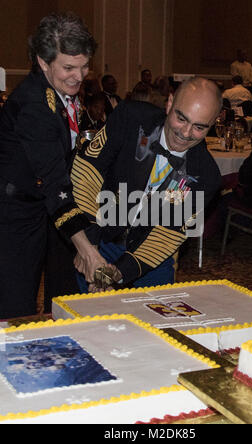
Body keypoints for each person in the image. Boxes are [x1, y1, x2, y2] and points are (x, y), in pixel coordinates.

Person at [0, 13, 107, 318]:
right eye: (69, 68)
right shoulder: (35, 106)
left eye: (85, 66)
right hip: (13, 216)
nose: (79, 76)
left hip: (43, 209)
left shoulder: (57, 92)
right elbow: (54, 184)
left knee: (63, 296)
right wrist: (87, 251)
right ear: (43, 62)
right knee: (16, 308)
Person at [71, 77, 223, 293]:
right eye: (181, 118)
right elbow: (87, 171)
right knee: (84, 317)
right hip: (101, 237)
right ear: (170, 103)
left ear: (213, 123)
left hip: (151, 258)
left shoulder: (207, 177)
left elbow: (168, 235)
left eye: (199, 127)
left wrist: (115, 274)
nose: (186, 133)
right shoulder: (130, 118)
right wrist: (89, 244)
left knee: (154, 320)